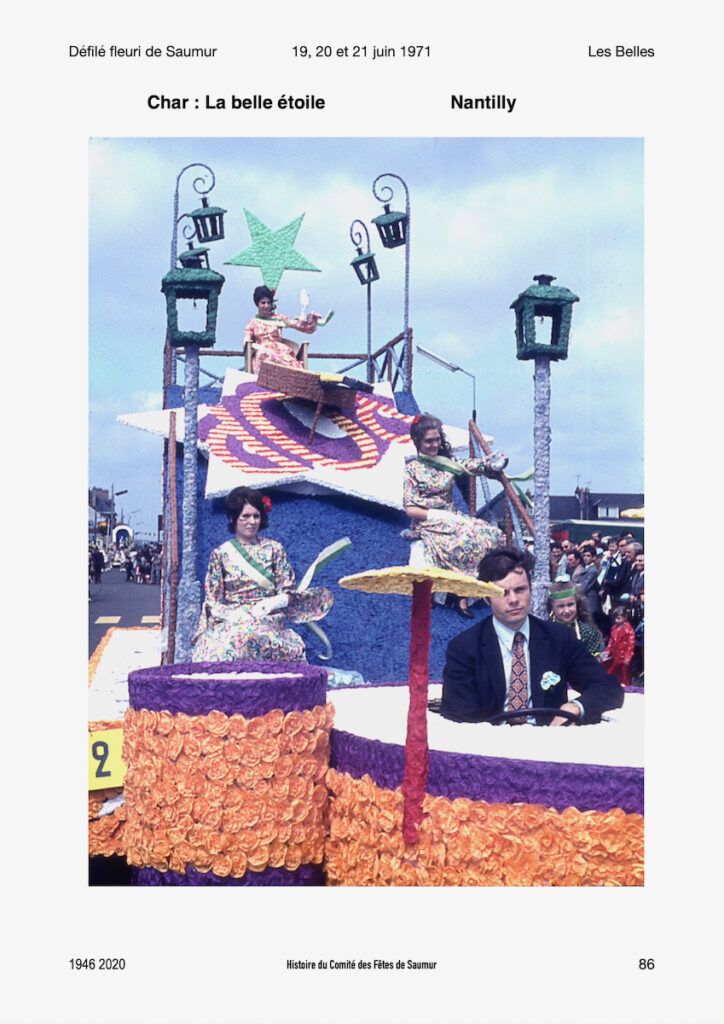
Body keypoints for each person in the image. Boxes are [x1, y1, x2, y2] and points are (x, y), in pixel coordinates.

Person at [440, 546, 624, 725]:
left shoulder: (559, 638)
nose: (513, 600)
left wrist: (576, 707)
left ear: (530, 590)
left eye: (520, 590)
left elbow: (608, 688)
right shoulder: (464, 647)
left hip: (548, 745)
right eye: (502, 593)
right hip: (488, 749)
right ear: (486, 598)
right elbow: (458, 713)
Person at [192, 486, 333, 663]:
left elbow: (288, 591)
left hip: (268, 619)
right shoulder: (220, 554)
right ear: (232, 518)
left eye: (256, 516)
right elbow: (212, 600)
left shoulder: (275, 549)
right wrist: (230, 615)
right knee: (219, 648)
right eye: (245, 516)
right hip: (234, 620)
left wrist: (274, 602)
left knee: (252, 638)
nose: (251, 521)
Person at [403, 413, 504, 618]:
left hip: (453, 517)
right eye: (429, 441)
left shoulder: (446, 462)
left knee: (492, 535)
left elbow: (470, 466)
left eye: (437, 439)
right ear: (417, 442)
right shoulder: (412, 469)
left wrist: (491, 465)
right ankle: (454, 594)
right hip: (427, 520)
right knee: (464, 538)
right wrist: (436, 516)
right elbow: (410, 508)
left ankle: (464, 592)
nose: (434, 445)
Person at [244, 285, 320, 374]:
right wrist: (256, 346)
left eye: (269, 302)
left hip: (280, 351)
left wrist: (311, 319)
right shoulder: (253, 322)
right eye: (263, 303)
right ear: (257, 304)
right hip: (262, 352)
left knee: (290, 364)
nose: (266, 305)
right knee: (263, 354)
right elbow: (246, 342)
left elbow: (300, 326)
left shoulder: (279, 318)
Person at [548, 580, 604, 655]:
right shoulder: (545, 632)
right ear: (552, 607)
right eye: (561, 606)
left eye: (570, 604)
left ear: (577, 604)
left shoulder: (587, 632)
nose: (567, 610)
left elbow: (594, 662)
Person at [601, 605, 636, 687]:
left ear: (625, 617)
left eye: (619, 618)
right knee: (611, 672)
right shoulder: (614, 628)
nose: (616, 620)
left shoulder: (629, 630)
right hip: (614, 656)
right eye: (615, 618)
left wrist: (627, 657)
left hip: (623, 657)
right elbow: (611, 642)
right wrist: (607, 652)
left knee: (624, 676)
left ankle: (626, 687)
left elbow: (631, 645)